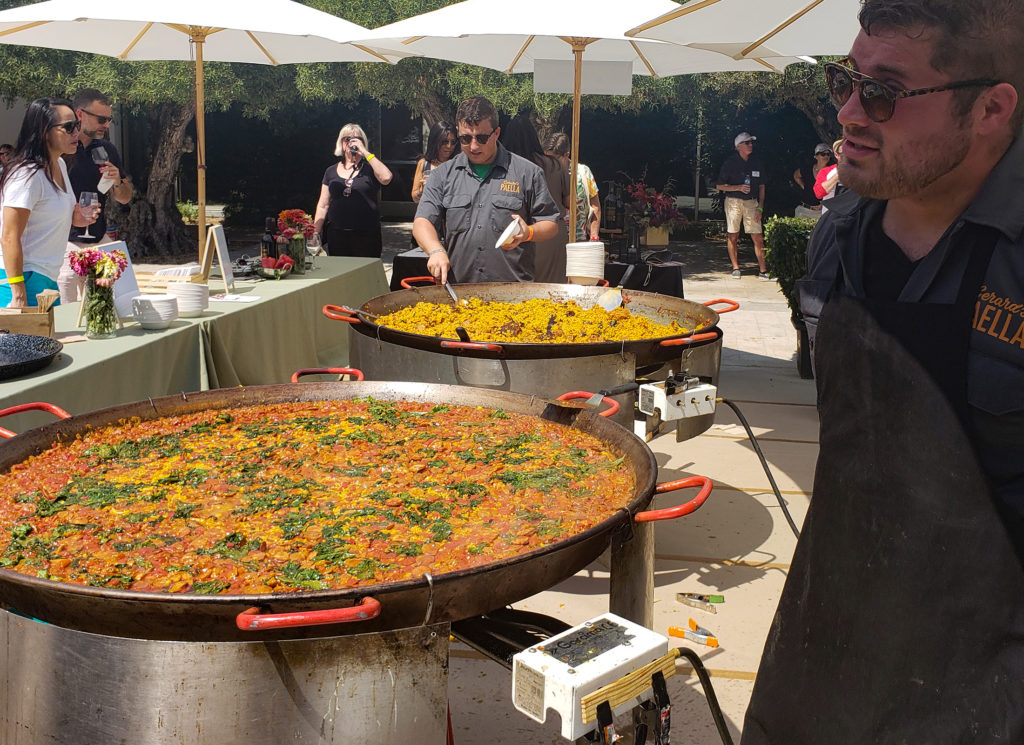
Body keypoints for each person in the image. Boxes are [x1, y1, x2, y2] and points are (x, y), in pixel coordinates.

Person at [743, 1, 1024, 743]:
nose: (847, 113)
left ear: (992, 108)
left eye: (884, 93)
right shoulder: (837, 234)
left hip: (983, 702)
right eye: (847, 79)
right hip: (815, 668)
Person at [413, 96, 559, 284]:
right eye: (465, 138)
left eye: (481, 138)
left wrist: (528, 232)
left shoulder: (527, 172)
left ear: (496, 133)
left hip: (513, 293)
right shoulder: (442, 175)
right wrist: (435, 250)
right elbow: (422, 222)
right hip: (459, 292)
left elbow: (551, 223)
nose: (473, 146)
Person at [0, 98, 97, 308]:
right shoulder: (26, 175)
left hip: (47, 278)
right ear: (44, 131)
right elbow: (9, 236)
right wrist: (18, 294)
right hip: (21, 280)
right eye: (69, 127)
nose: (76, 133)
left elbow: (51, 218)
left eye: (77, 126)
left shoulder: (59, 164)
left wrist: (78, 218)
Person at [59, 88, 133, 302]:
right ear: (80, 114)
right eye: (101, 119)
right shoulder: (61, 148)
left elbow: (125, 198)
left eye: (109, 119)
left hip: (98, 236)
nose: (107, 125)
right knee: (67, 311)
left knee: (104, 306)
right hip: (65, 241)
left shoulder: (107, 149)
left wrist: (117, 181)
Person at [501, 115, 571, 283]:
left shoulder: (504, 168)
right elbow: (569, 202)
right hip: (551, 235)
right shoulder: (554, 165)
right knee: (551, 292)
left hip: (513, 234)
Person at [312, 123, 393, 258]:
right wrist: (315, 232)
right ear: (342, 144)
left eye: (357, 139)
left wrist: (365, 153)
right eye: (347, 139)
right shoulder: (331, 171)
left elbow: (386, 178)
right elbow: (323, 205)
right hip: (337, 234)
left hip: (366, 234)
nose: (352, 142)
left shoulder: (370, 169)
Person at [716, 132, 769, 279]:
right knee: (733, 234)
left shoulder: (757, 162)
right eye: (747, 143)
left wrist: (760, 207)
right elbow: (720, 186)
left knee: (757, 236)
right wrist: (738, 187)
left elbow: (762, 187)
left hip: (752, 202)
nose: (750, 145)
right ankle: (735, 268)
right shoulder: (729, 163)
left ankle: (763, 270)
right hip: (733, 201)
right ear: (738, 146)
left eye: (751, 143)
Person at [543, 132, 600, 243]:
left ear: (566, 155)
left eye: (554, 159)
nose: (550, 163)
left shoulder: (583, 173)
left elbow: (595, 206)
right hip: (550, 242)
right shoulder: (542, 173)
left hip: (579, 241)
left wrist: (594, 236)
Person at [411, 120, 458, 205]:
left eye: (453, 142)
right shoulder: (424, 163)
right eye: (444, 142)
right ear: (435, 141)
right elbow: (415, 197)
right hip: (430, 214)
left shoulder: (458, 164)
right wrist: (423, 188)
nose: (449, 146)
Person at [792, 142, 834, 217]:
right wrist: (804, 187)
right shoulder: (808, 168)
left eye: (828, 154)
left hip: (821, 212)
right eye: (823, 154)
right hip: (805, 209)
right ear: (816, 156)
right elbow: (796, 175)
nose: (826, 156)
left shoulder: (832, 172)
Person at [811, 138, 845, 213]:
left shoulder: (860, 171)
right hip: (831, 216)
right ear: (837, 155)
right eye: (843, 153)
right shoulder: (826, 171)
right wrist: (836, 177)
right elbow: (818, 193)